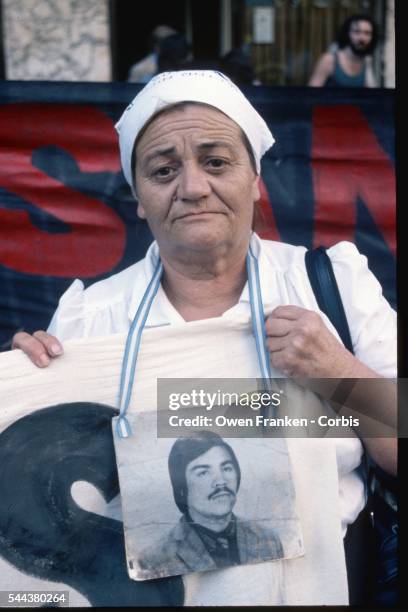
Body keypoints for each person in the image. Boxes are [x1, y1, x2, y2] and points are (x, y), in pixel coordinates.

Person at [12, 70, 396, 604]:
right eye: (163, 170)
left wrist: (339, 371)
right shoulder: (92, 318)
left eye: (216, 162)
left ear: (254, 178)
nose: (192, 188)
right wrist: (27, 396)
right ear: (140, 198)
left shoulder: (328, 287)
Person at [137, 432, 283, 577]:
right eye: (203, 473)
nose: (220, 481)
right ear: (181, 488)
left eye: (226, 468)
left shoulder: (268, 540)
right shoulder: (153, 560)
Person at [308, 14, 379, 87]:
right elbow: (311, 94)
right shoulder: (329, 60)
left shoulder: (366, 62)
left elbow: (372, 95)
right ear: (347, 33)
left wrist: (368, 67)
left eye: (367, 33)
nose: (362, 38)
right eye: (357, 32)